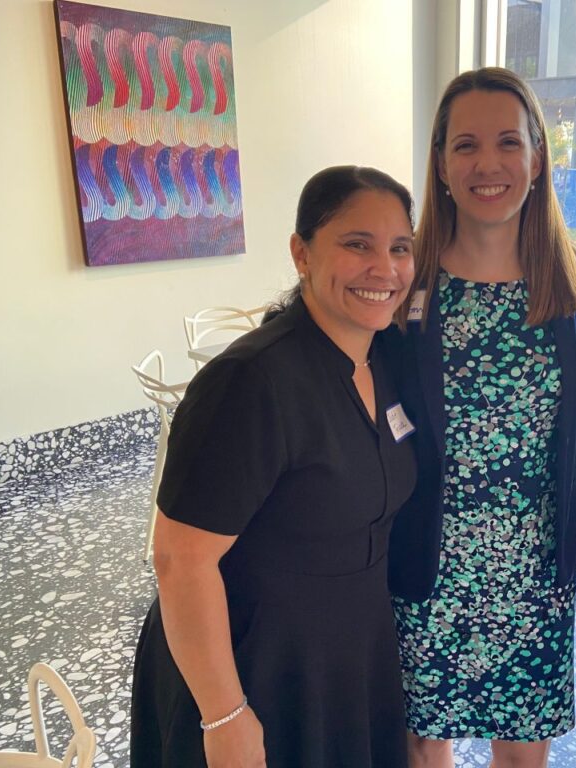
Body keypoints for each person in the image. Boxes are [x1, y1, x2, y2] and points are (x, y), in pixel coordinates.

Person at [130, 165, 417, 768]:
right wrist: (224, 715)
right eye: (357, 244)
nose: (384, 268)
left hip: (349, 653)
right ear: (302, 253)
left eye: (399, 248)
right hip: (254, 664)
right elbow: (181, 560)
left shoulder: (383, 361)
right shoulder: (250, 381)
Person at [385, 67, 576, 768]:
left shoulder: (572, 287)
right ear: (441, 164)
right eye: (466, 145)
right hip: (428, 562)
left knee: (523, 754)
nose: (488, 164)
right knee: (424, 748)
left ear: (537, 159)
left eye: (508, 142)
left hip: (536, 569)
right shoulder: (404, 286)